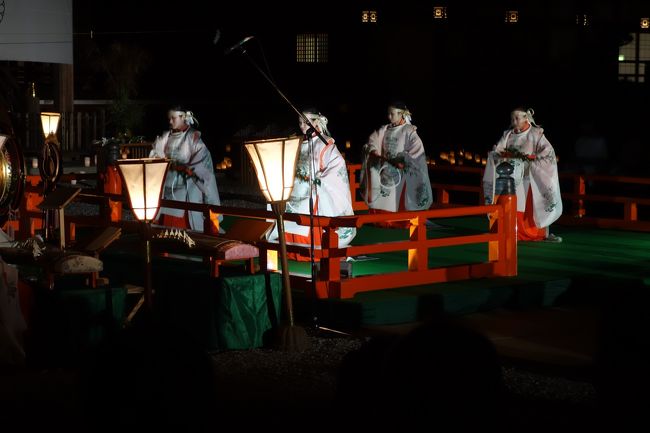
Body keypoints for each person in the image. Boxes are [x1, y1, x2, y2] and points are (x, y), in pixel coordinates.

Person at [267, 108, 356, 260]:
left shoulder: (325, 143)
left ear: (316, 122)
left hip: (313, 190)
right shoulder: (299, 142)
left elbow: (338, 164)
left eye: (306, 123)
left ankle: (312, 252)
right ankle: (289, 249)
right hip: (297, 188)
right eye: (300, 122)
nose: (302, 126)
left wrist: (321, 180)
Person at [482, 107, 563, 242]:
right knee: (511, 205)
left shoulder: (536, 134)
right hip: (510, 178)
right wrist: (497, 153)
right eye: (512, 119)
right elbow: (499, 149)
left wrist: (532, 159)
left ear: (526, 118)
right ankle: (509, 231)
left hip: (529, 177)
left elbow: (548, 152)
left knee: (530, 206)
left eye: (517, 118)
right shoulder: (508, 134)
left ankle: (537, 234)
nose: (514, 121)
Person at [360, 101, 433, 228]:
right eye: (388, 113)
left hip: (401, 172)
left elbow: (417, 151)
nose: (389, 117)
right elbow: (372, 141)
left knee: (399, 198)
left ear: (402, 115)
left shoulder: (409, 131)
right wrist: (374, 151)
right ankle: (383, 220)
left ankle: (402, 221)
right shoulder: (385, 129)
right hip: (386, 169)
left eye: (392, 114)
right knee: (384, 198)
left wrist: (403, 159)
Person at [149, 107, 221, 233]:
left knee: (186, 232)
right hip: (167, 190)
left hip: (186, 191)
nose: (170, 122)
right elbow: (155, 155)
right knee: (164, 231)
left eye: (173, 118)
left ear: (183, 117)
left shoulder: (193, 138)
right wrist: (160, 160)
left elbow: (203, 162)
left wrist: (186, 167)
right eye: (169, 119)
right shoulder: (166, 137)